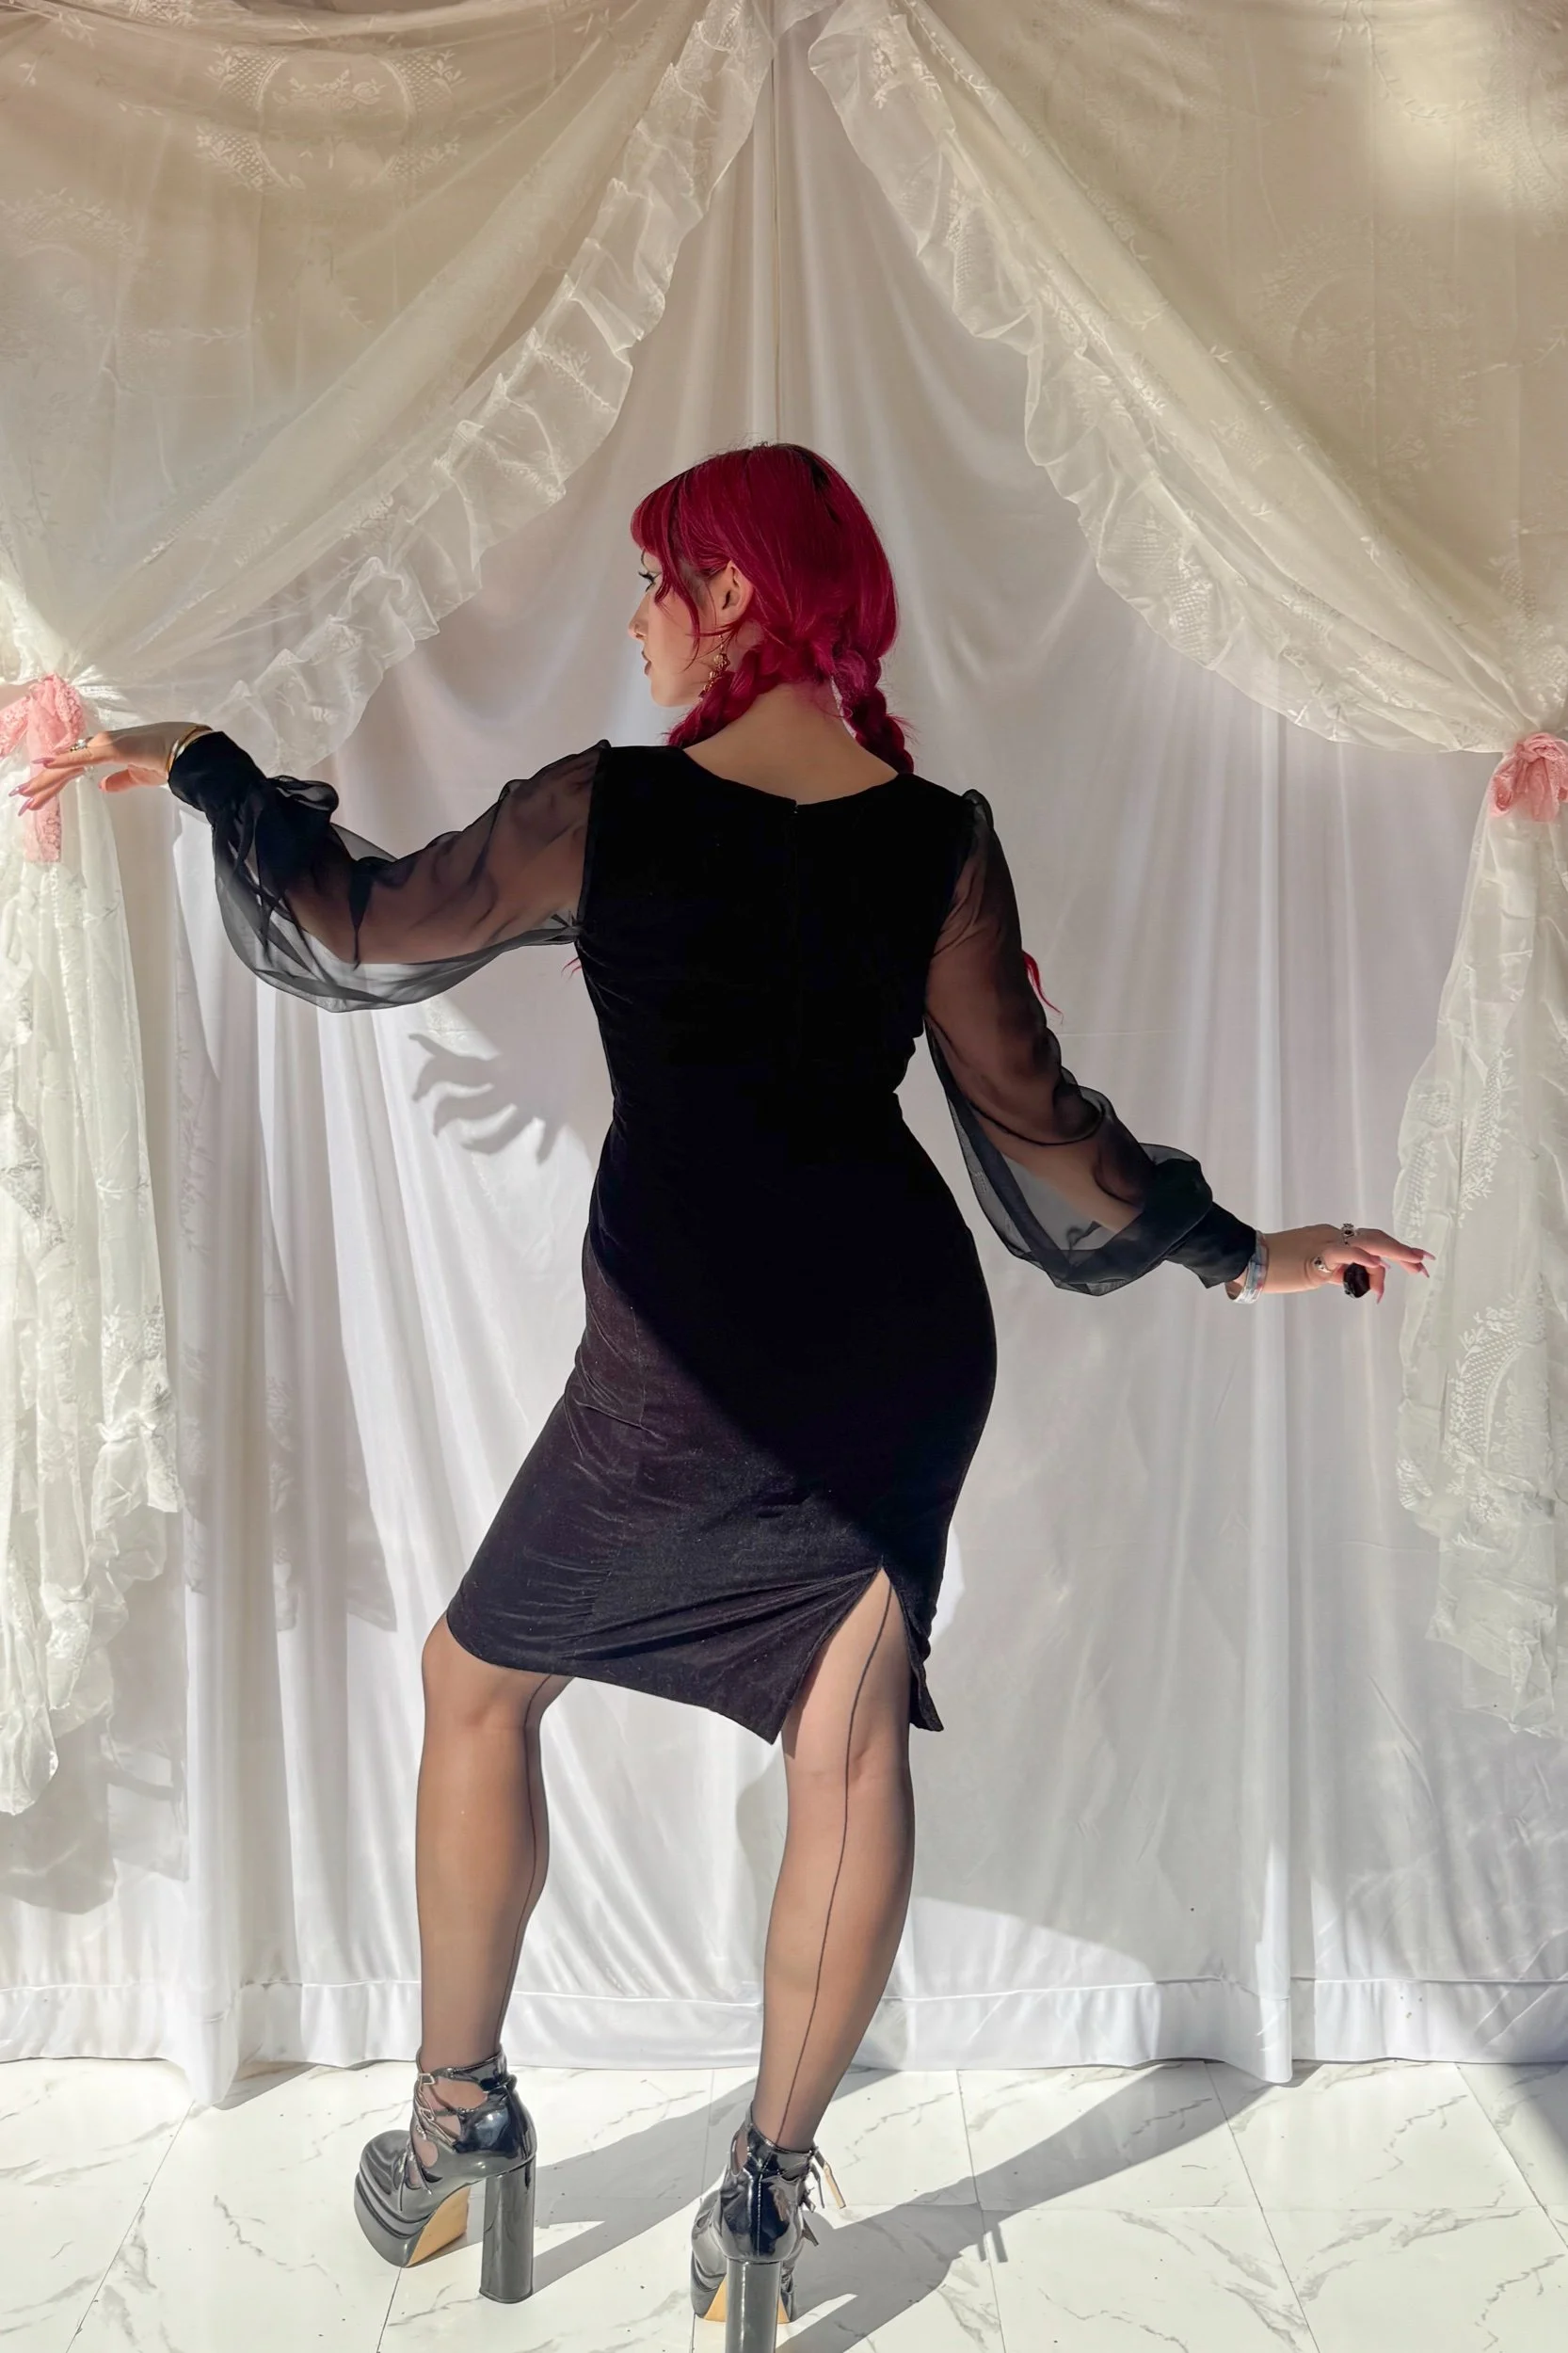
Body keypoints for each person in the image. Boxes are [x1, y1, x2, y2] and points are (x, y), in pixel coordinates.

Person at [21, 443, 1428, 2353]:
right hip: (885, 1349)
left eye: (655, 579)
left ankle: (456, 2121)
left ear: (737, 596)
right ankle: (762, 2194)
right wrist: (1244, 1249)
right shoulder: (933, 836)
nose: (635, 619)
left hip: (679, 1347)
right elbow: (1040, 1128)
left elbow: (356, 919)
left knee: (473, 1685)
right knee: (840, 1759)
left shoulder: (606, 809)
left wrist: (206, 766)